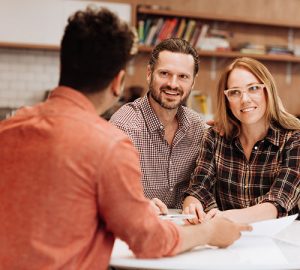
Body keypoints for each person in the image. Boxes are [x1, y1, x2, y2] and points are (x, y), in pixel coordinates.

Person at [0, 8, 251, 270]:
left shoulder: (7, 129)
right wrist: (210, 233)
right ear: (119, 82)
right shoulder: (108, 144)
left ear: (62, 65)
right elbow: (150, 241)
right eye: (165, 73)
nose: (173, 83)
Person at [183, 57, 300, 224]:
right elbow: (198, 188)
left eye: (253, 88)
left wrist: (226, 217)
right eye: (235, 92)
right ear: (227, 101)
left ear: (268, 91)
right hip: (226, 239)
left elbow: (279, 201)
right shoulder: (215, 137)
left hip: (281, 240)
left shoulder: (294, 139)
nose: (245, 99)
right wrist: (193, 204)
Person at [110, 38, 206, 211]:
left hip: (187, 229)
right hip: (138, 228)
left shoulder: (197, 127)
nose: (173, 84)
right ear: (149, 73)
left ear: (193, 81)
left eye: (183, 76)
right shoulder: (123, 127)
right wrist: (137, 205)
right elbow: (107, 191)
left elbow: (204, 182)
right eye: (164, 74)